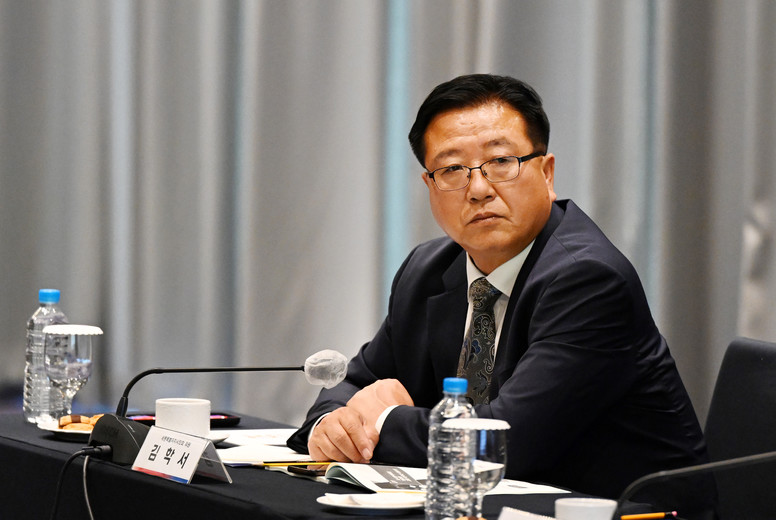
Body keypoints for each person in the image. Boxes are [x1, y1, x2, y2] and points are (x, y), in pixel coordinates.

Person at [287, 74, 711, 505]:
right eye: (452, 169)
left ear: (547, 173)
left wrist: (382, 420)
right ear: (430, 187)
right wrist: (331, 425)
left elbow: (505, 442)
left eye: (501, 162)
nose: (478, 189)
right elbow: (353, 383)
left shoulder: (590, 279)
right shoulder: (427, 270)